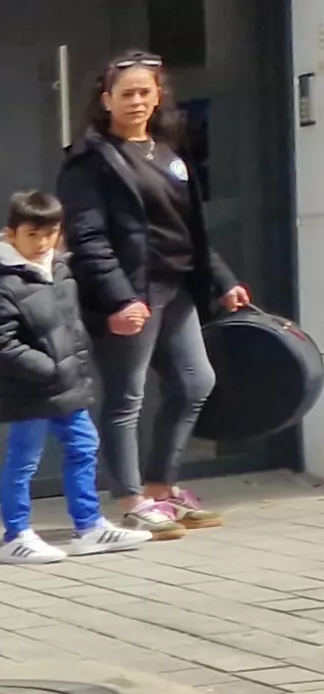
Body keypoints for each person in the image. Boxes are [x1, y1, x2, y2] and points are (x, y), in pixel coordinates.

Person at [64, 51, 251, 536]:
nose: (137, 101)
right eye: (126, 93)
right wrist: (119, 298)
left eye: (145, 91)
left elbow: (189, 230)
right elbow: (88, 239)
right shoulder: (90, 160)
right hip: (130, 298)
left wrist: (223, 280)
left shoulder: (168, 151)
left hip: (177, 289)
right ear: (106, 101)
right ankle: (130, 501)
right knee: (126, 397)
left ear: (158, 96)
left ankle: (159, 490)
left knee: (194, 382)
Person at [0, 190, 140, 564]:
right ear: (11, 233)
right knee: (24, 459)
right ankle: (16, 534)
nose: (41, 243)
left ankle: (90, 526)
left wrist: (73, 367)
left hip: (68, 385)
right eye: (32, 234)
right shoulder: (1, 285)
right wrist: (49, 369)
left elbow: (72, 325)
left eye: (49, 234)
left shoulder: (61, 270)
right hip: (29, 389)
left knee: (84, 447)